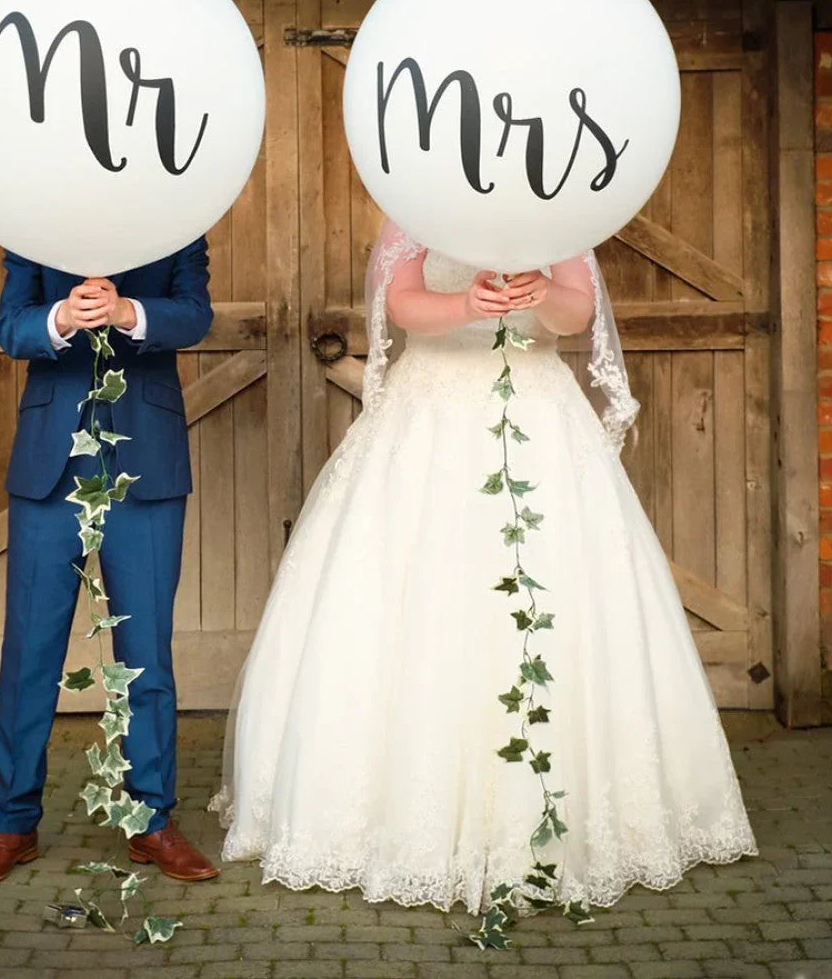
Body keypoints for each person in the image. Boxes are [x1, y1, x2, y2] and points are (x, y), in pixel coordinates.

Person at [209, 222, 758, 915]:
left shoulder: (556, 207)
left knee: (550, 597)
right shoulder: (415, 206)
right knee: (417, 603)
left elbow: (577, 311)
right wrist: (468, 304)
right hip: (428, 417)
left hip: (538, 411)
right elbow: (398, 302)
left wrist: (539, 292)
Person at [0, 239, 219, 887]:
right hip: (51, 466)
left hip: (146, 463)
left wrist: (130, 310)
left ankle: (150, 819)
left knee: (146, 655)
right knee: (30, 653)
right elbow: (10, 327)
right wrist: (62, 318)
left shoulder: (176, 223)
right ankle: (11, 822)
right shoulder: (31, 225)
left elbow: (195, 314)